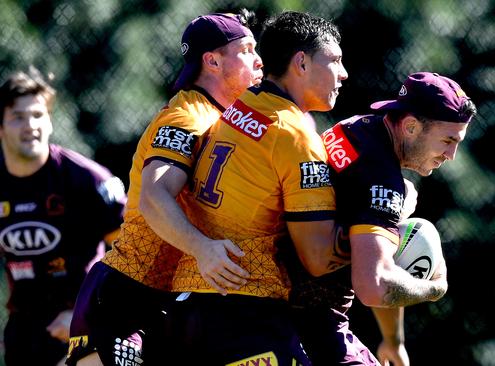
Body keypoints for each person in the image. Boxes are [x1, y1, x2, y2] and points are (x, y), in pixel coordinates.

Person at [65, 12, 263, 366]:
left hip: (172, 303)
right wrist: (204, 249)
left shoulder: (228, 120)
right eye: (247, 50)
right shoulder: (187, 117)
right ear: (213, 61)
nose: (259, 60)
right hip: (125, 296)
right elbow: (154, 197)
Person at [166, 11, 351, 365]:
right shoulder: (296, 136)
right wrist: (377, 234)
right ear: (301, 62)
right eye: (336, 60)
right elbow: (317, 258)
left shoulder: (241, 105)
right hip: (241, 308)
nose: (344, 73)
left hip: (187, 302)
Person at [288, 71, 477, 366]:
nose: (451, 154)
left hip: (284, 303)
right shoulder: (382, 181)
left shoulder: (356, 128)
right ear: (411, 127)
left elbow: (376, 249)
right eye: (447, 140)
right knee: (420, 234)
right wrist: (434, 289)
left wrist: (393, 341)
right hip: (306, 321)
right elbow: (373, 285)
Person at [0, 66, 126, 366]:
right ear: (0, 126)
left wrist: (88, 313)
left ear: (50, 121)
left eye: (38, 115)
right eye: (18, 117)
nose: (30, 125)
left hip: (86, 323)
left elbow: (135, 253)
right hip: (24, 328)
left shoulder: (86, 180)